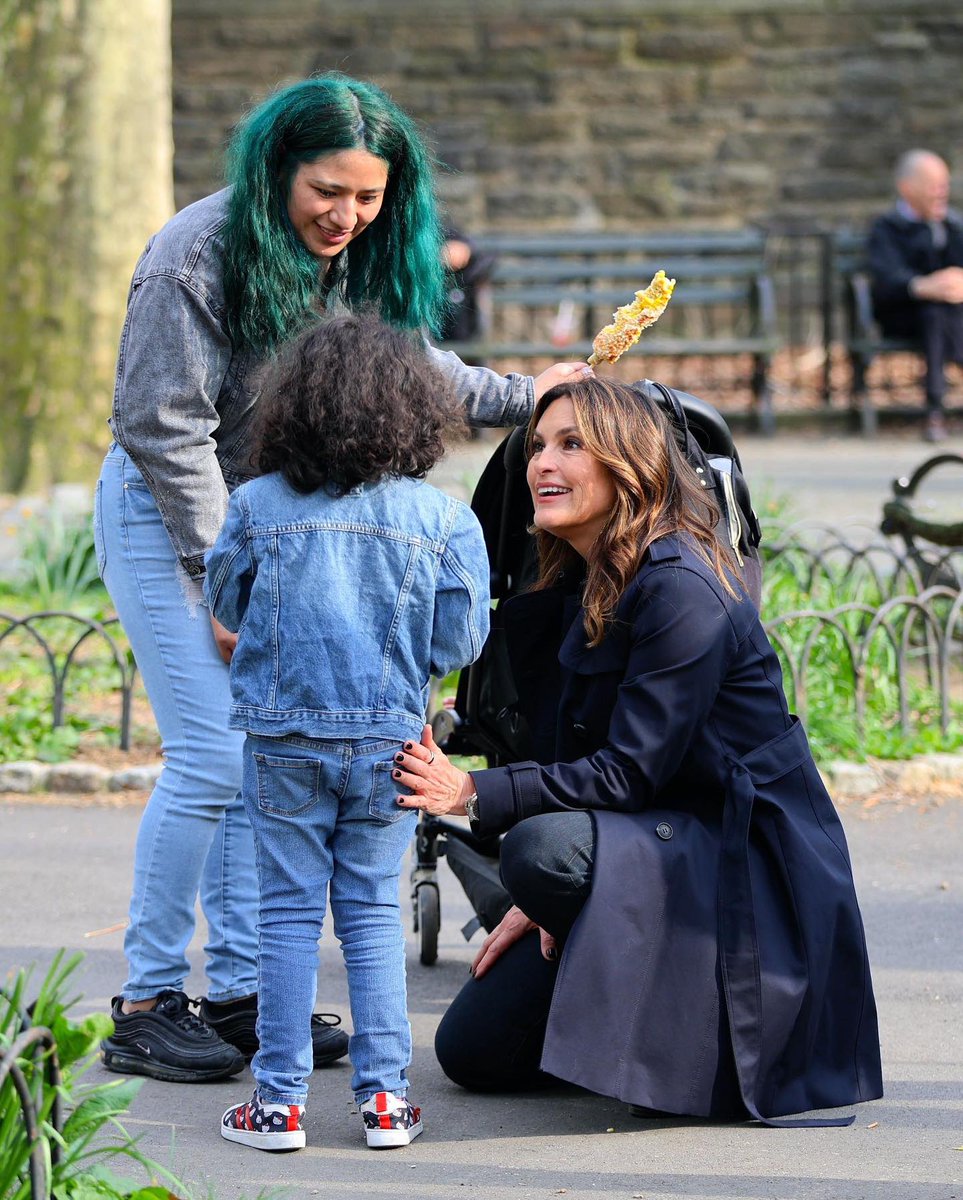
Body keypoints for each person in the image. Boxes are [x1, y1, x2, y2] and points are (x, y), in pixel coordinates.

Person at [92, 71, 589, 1085]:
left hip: (276, 534)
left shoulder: (357, 253)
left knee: (256, 752)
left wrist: (532, 396)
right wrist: (227, 575)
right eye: (329, 191)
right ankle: (147, 1002)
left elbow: (414, 368)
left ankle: (237, 999)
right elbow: (163, 427)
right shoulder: (194, 254)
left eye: (368, 198)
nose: (347, 216)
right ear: (279, 166)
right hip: (173, 515)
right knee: (211, 758)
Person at [392, 377, 883, 1126]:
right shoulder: (584, 576)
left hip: (734, 856)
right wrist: (555, 901)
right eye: (537, 446)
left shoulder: (681, 585)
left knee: (543, 851)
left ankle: (691, 1038)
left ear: (628, 462)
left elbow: (628, 772)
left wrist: (472, 796)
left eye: (571, 445)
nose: (540, 465)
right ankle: (619, 987)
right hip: (649, 838)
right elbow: (573, 746)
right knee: (473, 1054)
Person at [206, 313, 489, 1151]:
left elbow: (225, 606)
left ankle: (278, 1106)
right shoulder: (441, 520)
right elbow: (459, 641)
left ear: (291, 409)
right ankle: (386, 1104)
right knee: (369, 913)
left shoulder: (257, 503)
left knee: (287, 915)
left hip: (283, 739)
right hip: (391, 742)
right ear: (413, 412)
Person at [868, 149, 963, 442]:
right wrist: (922, 285)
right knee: (933, 311)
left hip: (949, 313)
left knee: (941, 311)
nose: (942, 192)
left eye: (944, 184)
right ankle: (935, 408)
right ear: (907, 188)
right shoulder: (887, 227)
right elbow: (886, 278)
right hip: (903, 313)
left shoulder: (952, 225)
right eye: (934, 185)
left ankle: (935, 410)